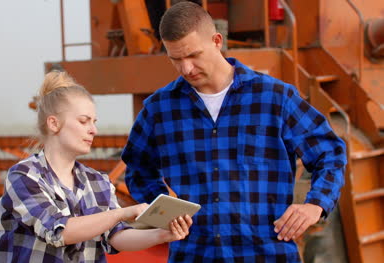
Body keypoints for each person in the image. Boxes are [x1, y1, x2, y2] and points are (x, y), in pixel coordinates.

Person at [122, 2, 346, 262]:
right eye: (176, 59)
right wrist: (164, 215)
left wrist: (315, 205)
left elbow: (329, 154)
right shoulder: (159, 109)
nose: (186, 69)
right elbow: (138, 168)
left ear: (217, 40)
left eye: (193, 55)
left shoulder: (275, 98)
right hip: (194, 255)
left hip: (267, 255)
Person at [0, 71, 193, 262]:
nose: (93, 130)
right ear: (53, 124)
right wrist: (122, 213)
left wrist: (162, 235)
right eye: (84, 121)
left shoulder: (97, 181)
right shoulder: (24, 176)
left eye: (94, 122)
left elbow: (116, 236)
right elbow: (59, 232)